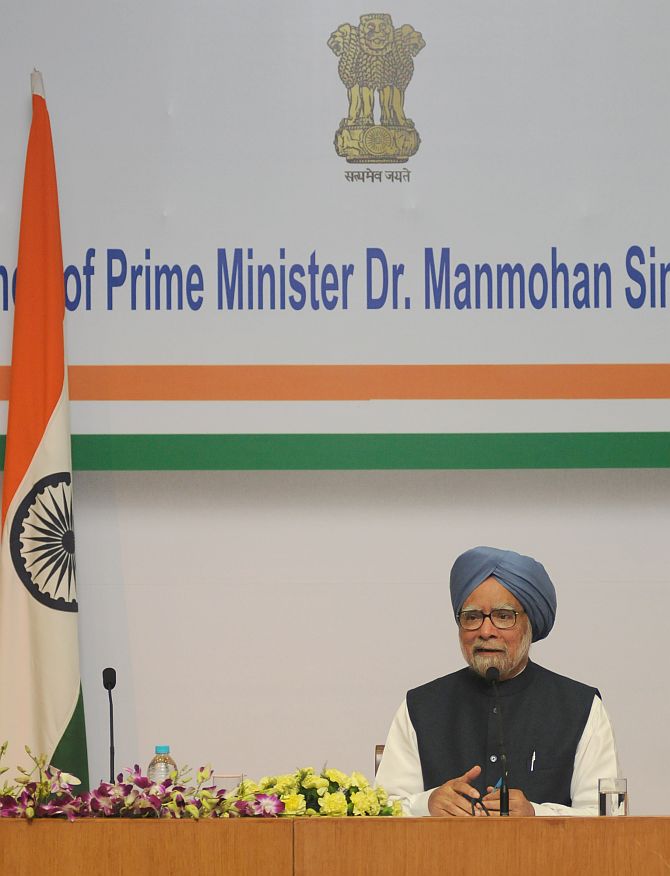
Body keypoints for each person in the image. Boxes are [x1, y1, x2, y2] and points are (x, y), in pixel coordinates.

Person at [375, 546, 619, 816]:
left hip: (545, 858)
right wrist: (428, 803)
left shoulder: (580, 707)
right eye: (472, 617)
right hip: (440, 858)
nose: (486, 631)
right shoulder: (420, 706)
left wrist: (536, 815)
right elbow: (381, 808)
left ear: (530, 623)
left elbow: (607, 817)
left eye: (504, 616)